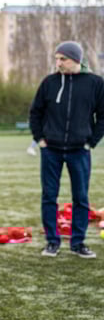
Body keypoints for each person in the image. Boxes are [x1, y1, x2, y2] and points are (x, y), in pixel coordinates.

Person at [30, 41, 104, 259]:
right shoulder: (49, 82)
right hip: (50, 150)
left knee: (80, 197)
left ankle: (78, 243)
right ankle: (52, 242)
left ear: (76, 60)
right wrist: (39, 139)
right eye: (57, 59)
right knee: (49, 197)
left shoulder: (95, 83)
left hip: (80, 150)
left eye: (63, 59)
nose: (58, 63)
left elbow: (102, 116)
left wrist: (91, 142)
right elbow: (35, 112)